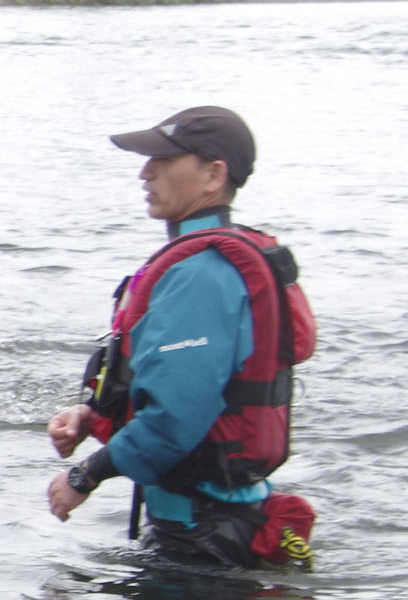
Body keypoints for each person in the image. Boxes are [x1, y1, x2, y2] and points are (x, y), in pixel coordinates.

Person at [47, 106, 317, 569]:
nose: (145, 172)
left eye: (164, 161)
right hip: (219, 520)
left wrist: (84, 476)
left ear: (214, 174)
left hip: (203, 540)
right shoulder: (209, 261)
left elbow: (176, 419)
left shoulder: (200, 276)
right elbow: (182, 392)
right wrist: (93, 415)